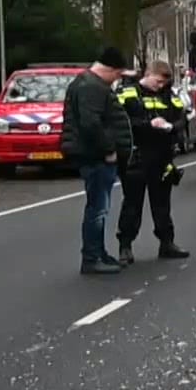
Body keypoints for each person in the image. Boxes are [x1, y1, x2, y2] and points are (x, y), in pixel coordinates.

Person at [60, 47, 132, 274]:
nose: (117, 80)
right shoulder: (91, 87)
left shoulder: (88, 84)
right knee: (98, 209)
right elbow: (91, 123)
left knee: (100, 207)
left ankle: (99, 253)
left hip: (94, 154)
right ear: (110, 69)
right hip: (96, 156)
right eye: (118, 74)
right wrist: (109, 149)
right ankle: (91, 257)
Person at [115, 61, 190, 263]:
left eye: (163, 82)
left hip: (162, 156)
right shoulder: (128, 93)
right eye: (157, 81)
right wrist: (148, 124)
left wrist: (171, 127)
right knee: (132, 203)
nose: (159, 86)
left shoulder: (168, 95)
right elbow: (121, 122)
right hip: (137, 155)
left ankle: (167, 243)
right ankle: (125, 246)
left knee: (162, 204)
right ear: (148, 74)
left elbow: (182, 118)